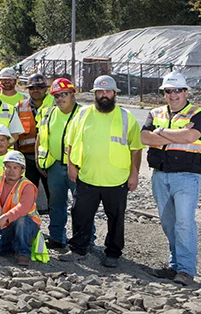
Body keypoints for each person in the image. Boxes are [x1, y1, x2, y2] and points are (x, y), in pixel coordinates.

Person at [59, 76, 143, 268]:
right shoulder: (82, 114)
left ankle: (113, 253)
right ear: (95, 94)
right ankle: (79, 248)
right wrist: (71, 165)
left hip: (116, 179)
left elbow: (136, 148)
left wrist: (134, 174)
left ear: (114, 94)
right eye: (100, 92)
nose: (104, 95)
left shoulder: (126, 117)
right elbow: (70, 142)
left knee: (116, 218)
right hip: (87, 176)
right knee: (80, 214)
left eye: (108, 92)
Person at [141, 71, 201, 285]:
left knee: (184, 223)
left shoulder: (199, 114)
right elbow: (144, 137)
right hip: (160, 175)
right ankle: (175, 266)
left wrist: (160, 133)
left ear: (186, 91)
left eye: (177, 90)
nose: (173, 95)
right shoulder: (155, 112)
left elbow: (191, 137)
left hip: (187, 176)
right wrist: (174, 131)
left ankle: (186, 271)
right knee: (168, 223)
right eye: (168, 91)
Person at [0, 151, 49, 265]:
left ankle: (24, 253)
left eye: (16, 167)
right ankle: (15, 244)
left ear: (22, 170)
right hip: (6, 227)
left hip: (28, 226)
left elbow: (24, 207)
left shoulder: (27, 186)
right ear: (4, 168)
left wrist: (6, 217)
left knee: (21, 220)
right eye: (8, 167)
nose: (11, 170)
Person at [36, 76, 79, 250]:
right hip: (54, 165)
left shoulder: (82, 114)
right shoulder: (49, 112)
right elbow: (41, 135)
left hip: (78, 167)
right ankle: (56, 238)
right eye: (57, 95)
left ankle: (84, 240)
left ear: (73, 94)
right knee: (56, 204)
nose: (60, 98)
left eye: (64, 94)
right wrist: (39, 161)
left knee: (81, 207)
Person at [15, 74, 50, 207]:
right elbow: (15, 133)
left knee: (53, 197)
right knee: (26, 196)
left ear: (46, 89)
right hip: (27, 159)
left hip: (48, 159)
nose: (36, 90)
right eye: (32, 88)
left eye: (40, 87)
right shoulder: (19, 107)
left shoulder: (54, 105)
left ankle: (55, 226)